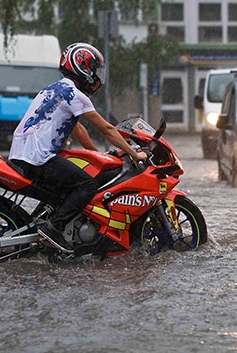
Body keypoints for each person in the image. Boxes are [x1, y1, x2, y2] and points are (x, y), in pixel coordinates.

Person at [9, 42, 147, 252]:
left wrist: (97, 156)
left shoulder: (54, 88)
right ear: (82, 67)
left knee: (69, 184)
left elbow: (78, 130)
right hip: (38, 157)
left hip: (22, 154)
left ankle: (45, 224)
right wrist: (134, 154)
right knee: (87, 185)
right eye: (94, 70)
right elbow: (107, 129)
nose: (96, 76)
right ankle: (54, 228)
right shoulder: (74, 95)